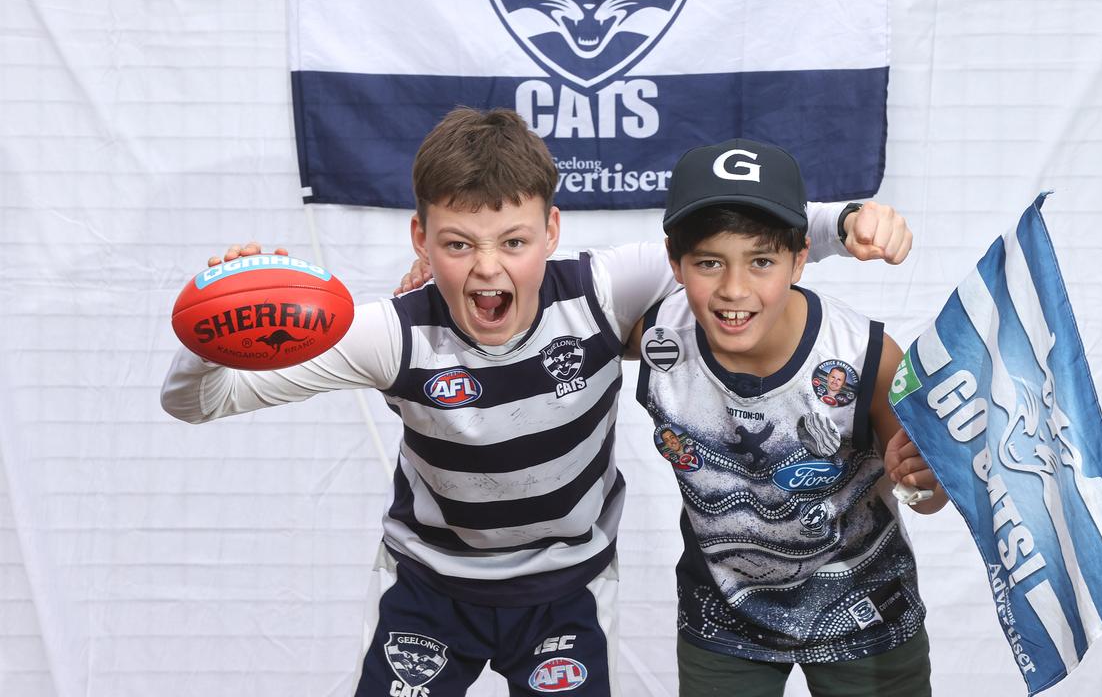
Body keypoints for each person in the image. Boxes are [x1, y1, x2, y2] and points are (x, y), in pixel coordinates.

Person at [161, 107, 912, 696]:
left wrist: (846, 223)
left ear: (552, 231)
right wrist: (214, 323)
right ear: (421, 240)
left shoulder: (601, 292)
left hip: (566, 589)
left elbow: (747, 224)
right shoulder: (391, 334)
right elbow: (200, 403)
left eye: (513, 242)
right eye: (458, 245)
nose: (488, 268)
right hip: (429, 587)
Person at [629, 138, 948, 696]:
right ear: (675, 262)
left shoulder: (864, 356)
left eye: (761, 261)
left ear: (800, 258)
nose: (734, 289)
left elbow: (930, 492)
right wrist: (433, 286)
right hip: (725, 616)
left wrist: (927, 477)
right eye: (709, 262)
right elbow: (547, 317)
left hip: (865, 606)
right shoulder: (656, 335)